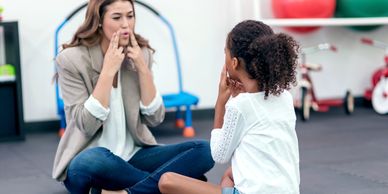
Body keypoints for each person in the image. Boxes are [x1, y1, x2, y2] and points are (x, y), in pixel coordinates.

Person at [52, 0, 214, 193]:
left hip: (134, 156)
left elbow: (155, 119)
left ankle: (130, 191)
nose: (126, 24)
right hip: (90, 158)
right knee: (92, 160)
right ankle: (170, 186)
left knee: (205, 151)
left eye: (130, 16)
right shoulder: (71, 59)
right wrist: (108, 71)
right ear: (99, 21)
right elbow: (86, 125)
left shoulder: (140, 53)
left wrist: (143, 69)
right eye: (117, 17)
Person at [158, 20, 300, 194]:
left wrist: (221, 103)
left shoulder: (239, 106)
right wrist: (238, 98)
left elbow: (219, 155)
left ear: (234, 62)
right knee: (230, 175)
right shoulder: (284, 97)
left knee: (167, 181)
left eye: (225, 52)